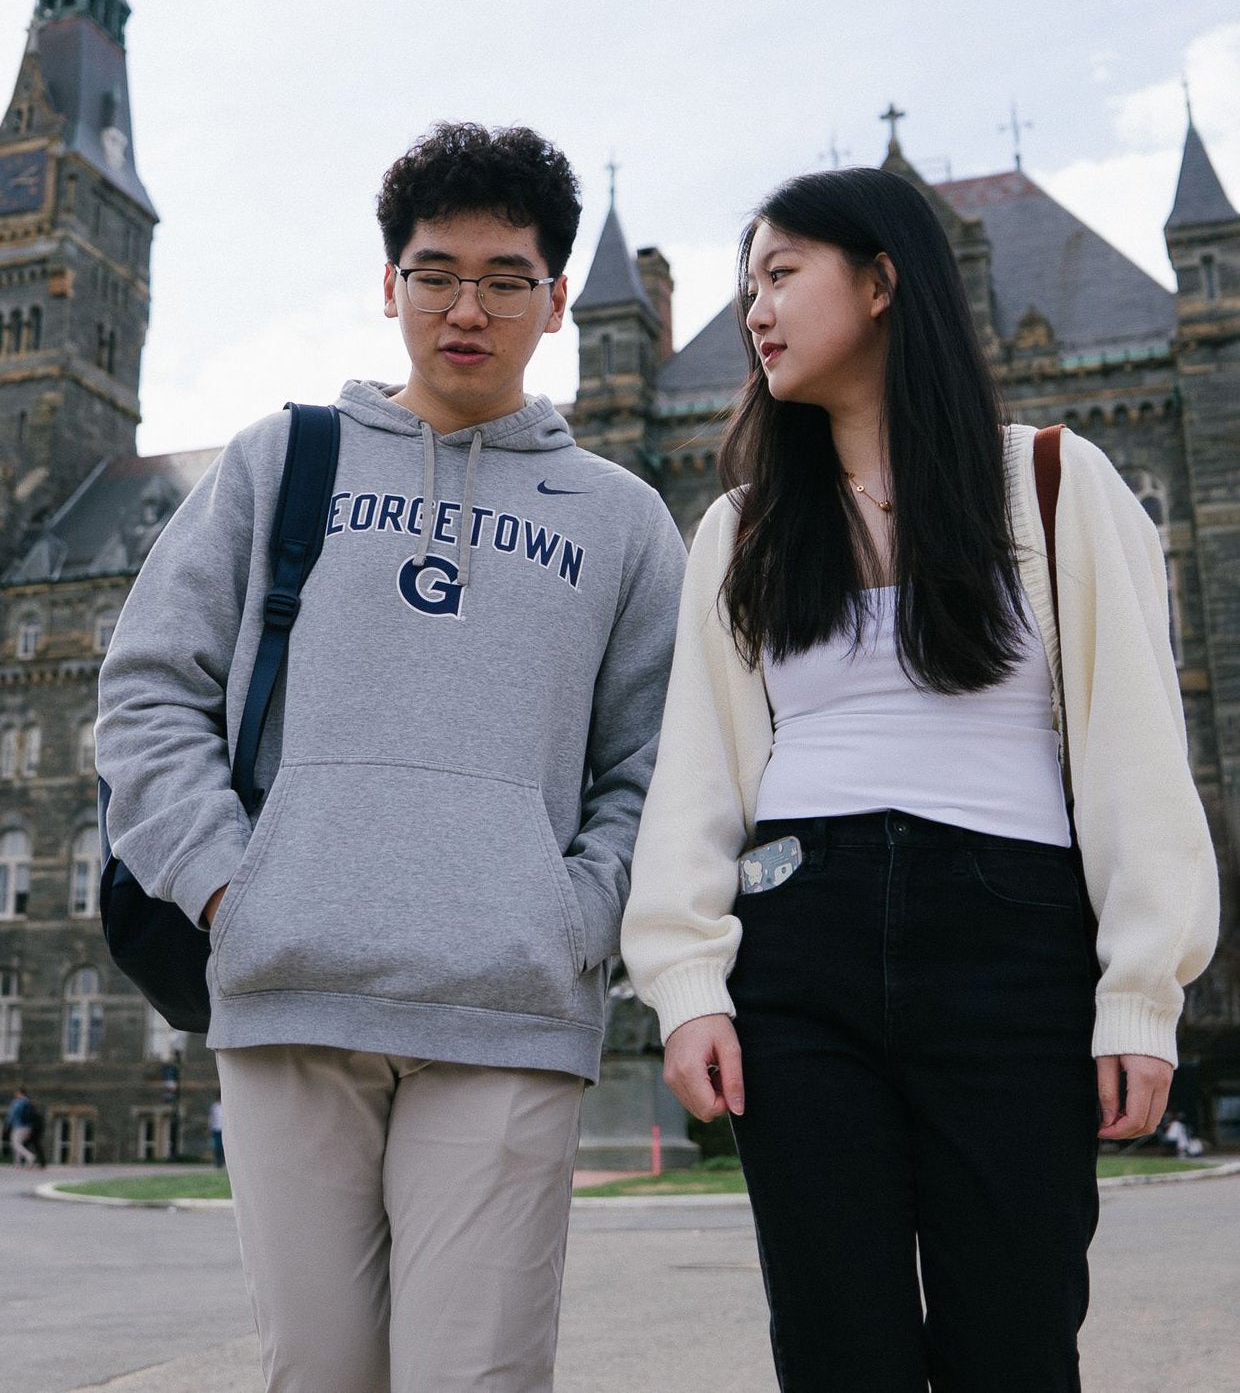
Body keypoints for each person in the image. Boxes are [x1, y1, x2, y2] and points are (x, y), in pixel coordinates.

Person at [96, 122, 685, 1393]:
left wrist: (574, 914)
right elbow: (148, 691)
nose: (465, 309)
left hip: (510, 1009)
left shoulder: (626, 521)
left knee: (472, 1377)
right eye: (434, 273)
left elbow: (659, 763)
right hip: (292, 989)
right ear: (389, 286)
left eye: (504, 278)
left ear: (557, 299)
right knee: (320, 1373)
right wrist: (228, 891)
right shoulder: (281, 460)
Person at [621, 166, 1219, 1393]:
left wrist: (1141, 992)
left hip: (1011, 949)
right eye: (745, 288)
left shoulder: (1055, 482)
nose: (754, 312)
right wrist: (685, 983)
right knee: (838, 1353)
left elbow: (1133, 754)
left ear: (884, 279)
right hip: (799, 953)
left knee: (1015, 1342)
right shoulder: (739, 528)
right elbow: (698, 775)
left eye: (781, 274)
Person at [4, 1088, 35, 1168]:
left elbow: (12, 1114)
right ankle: (18, 1163)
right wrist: (30, 1128)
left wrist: (7, 1125)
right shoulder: (28, 1102)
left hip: (18, 1126)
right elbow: (32, 1116)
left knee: (15, 1144)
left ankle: (29, 1156)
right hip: (27, 1126)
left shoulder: (18, 1103)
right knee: (19, 1144)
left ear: (19, 1093)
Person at [207, 1096, 225, 1169]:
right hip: (216, 1129)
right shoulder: (215, 1106)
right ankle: (218, 1161)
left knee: (223, 1146)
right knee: (217, 1146)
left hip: (224, 1129)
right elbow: (211, 1117)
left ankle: (223, 1161)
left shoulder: (225, 1105)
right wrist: (210, 1126)